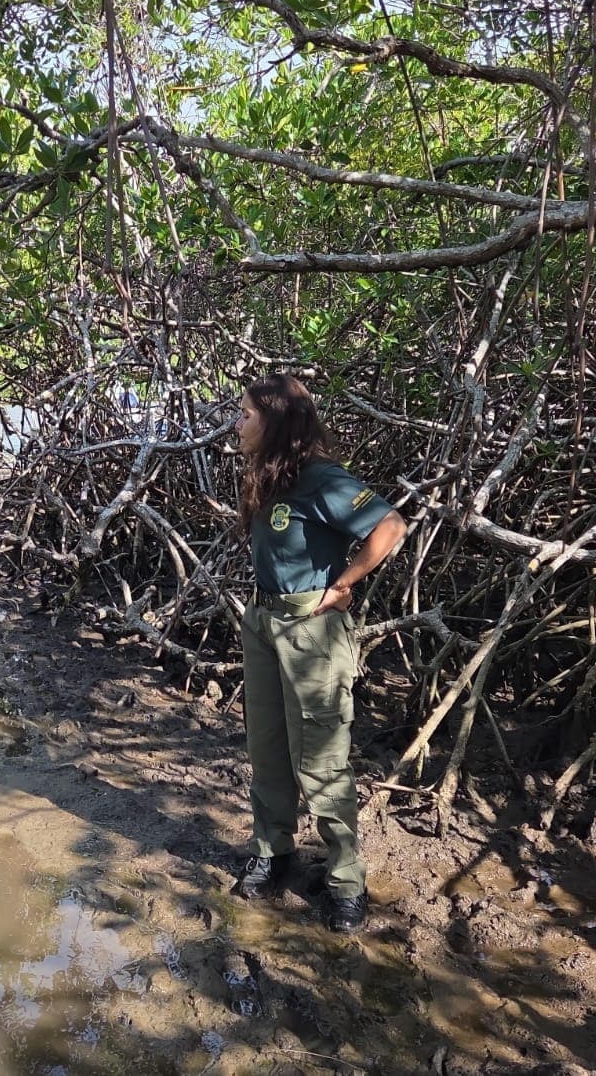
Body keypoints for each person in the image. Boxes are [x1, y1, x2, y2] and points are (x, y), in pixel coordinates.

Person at [231, 373, 406, 934]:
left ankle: (345, 880)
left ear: (276, 420)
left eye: (246, 414)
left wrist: (345, 583)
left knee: (322, 761)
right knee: (267, 747)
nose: (237, 423)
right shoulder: (271, 475)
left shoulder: (320, 476)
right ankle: (274, 851)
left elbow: (390, 525)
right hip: (262, 621)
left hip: (309, 626)